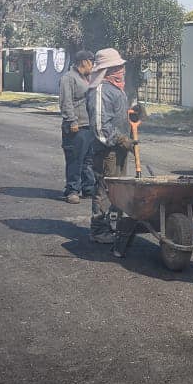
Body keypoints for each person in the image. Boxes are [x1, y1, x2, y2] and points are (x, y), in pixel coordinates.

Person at [86, 48, 135, 244]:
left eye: (122, 66)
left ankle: (113, 226)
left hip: (119, 150)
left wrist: (132, 114)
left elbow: (116, 116)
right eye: (118, 66)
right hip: (107, 151)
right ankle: (98, 230)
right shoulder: (99, 90)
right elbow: (100, 127)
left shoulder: (116, 89)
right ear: (108, 69)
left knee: (119, 190)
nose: (122, 69)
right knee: (106, 191)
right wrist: (120, 139)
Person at [59, 50, 96, 204]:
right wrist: (72, 120)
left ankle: (88, 189)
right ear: (84, 62)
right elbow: (66, 101)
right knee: (75, 160)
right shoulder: (68, 78)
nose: (93, 66)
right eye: (91, 62)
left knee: (88, 160)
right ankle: (72, 190)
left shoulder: (88, 78)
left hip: (88, 126)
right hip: (76, 126)